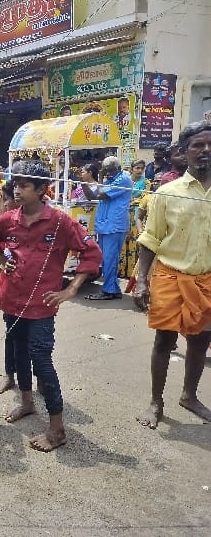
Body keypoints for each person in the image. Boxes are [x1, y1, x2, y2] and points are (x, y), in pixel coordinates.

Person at [0, 161, 102, 451]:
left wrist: (70, 289)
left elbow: (92, 252)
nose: (17, 190)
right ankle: (26, 402)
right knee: (18, 351)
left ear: (42, 190)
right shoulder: (8, 220)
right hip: (11, 300)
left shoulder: (60, 222)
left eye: (24, 185)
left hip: (41, 308)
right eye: (16, 184)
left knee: (42, 361)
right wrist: (2, 261)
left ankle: (57, 428)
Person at [134, 120, 211, 429]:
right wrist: (141, 281)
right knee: (164, 342)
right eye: (198, 145)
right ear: (184, 151)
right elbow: (150, 238)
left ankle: (189, 396)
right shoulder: (166, 192)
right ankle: (156, 400)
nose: (206, 150)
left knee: (201, 341)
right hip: (169, 277)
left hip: (206, 280)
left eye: (210, 145)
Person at [81, 156, 132, 300]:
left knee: (109, 258)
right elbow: (92, 196)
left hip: (114, 225)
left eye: (110, 170)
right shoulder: (108, 180)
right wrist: (84, 183)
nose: (107, 172)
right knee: (106, 258)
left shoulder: (123, 179)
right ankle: (113, 288)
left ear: (118, 168)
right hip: (104, 225)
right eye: (106, 170)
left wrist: (101, 177)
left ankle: (108, 290)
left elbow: (102, 194)